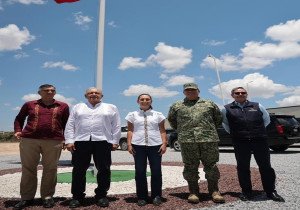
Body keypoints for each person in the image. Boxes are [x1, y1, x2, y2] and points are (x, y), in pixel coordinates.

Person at [222, 86, 285, 202]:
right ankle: (246, 192)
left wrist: (257, 131)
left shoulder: (257, 106)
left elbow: (266, 120)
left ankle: (270, 191)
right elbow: (226, 124)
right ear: (232, 95)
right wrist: (237, 133)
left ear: (246, 94)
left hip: (259, 140)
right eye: (237, 93)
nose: (240, 94)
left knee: (266, 167)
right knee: (243, 167)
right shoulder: (226, 109)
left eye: (243, 92)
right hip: (240, 142)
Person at [13, 84, 70, 210]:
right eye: (46, 90)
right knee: (28, 168)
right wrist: (18, 130)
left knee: (51, 169)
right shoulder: (29, 104)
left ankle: (47, 197)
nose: (50, 92)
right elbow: (19, 118)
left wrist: (67, 139)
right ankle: (27, 198)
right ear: (39, 92)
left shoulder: (63, 106)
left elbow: (67, 124)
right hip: (29, 140)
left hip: (54, 141)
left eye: (52, 90)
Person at [167, 83, 225, 204]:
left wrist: (207, 130)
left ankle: (214, 191)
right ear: (184, 92)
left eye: (193, 90)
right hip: (187, 140)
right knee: (190, 166)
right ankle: (193, 191)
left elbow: (218, 119)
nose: (190, 92)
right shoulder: (177, 106)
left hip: (208, 139)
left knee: (211, 165)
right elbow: (172, 121)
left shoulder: (209, 103)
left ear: (198, 91)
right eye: (187, 90)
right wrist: (184, 130)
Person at [64, 87, 121, 208]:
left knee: (104, 169)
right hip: (81, 141)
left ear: (101, 95)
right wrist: (69, 140)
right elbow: (70, 124)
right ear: (86, 96)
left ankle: (101, 195)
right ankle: (77, 196)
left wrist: (115, 141)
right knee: (78, 169)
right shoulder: (77, 107)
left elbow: (116, 125)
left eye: (97, 93)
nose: (93, 94)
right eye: (90, 93)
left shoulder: (111, 107)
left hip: (103, 141)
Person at [125, 93, 167, 206]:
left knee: (156, 171)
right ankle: (142, 197)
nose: (145, 101)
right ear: (138, 101)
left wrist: (164, 143)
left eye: (147, 99)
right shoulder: (132, 115)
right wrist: (129, 144)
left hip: (155, 145)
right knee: (140, 171)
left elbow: (162, 130)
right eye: (142, 99)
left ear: (151, 101)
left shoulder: (158, 115)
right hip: (138, 146)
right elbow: (130, 130)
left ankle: (156, 196)